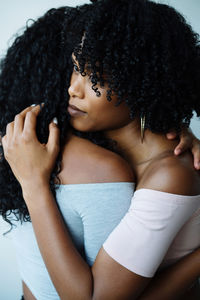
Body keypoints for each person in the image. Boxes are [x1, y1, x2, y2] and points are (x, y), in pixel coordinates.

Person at [1, 1, 200, 299]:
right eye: (76, 69)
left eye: (95, 76)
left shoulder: (170, 173)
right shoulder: (108, 146)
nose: (73, 89)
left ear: (141, 82)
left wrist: (32, 184)